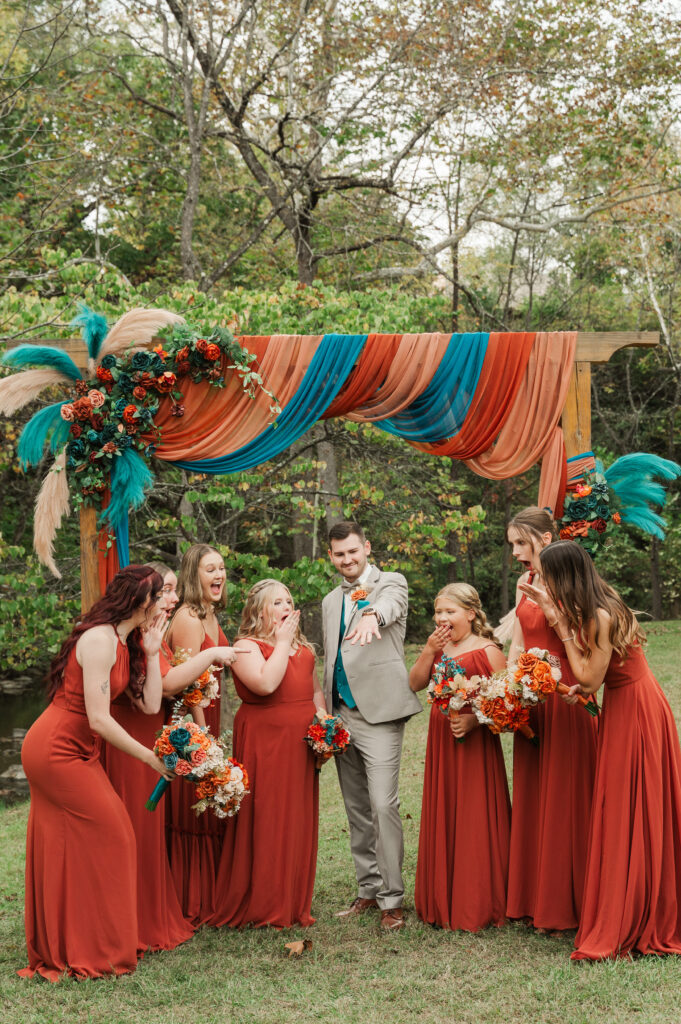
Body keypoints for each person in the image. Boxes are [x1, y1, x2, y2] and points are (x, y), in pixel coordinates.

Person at [527, 540, 681, 960]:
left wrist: (560, 627)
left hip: (636, 710)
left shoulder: (599, 615)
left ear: (564, 576)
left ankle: (636, 911)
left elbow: (589, 679)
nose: (544, 583)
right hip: (627, 702)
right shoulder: (596, 603)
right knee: (625, 803)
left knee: (629, 804)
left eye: (547, 576)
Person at [19, 565, 173, 982]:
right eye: (159, 595)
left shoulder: (126, 641)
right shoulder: (100, 640)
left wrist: (153, 652)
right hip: (55, 749)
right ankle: (96, 948)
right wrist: (150, 758)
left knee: (79, 843)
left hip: (78, 750)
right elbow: (100, 720)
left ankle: (78, 942)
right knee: (116, 834)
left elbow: (150, 705)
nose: (164, 602)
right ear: (140, 602)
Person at [103, 561, 242, 952]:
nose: (173, 597)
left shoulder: (153, 636)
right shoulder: (134, 637)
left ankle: (146, 914)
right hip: (132, 742)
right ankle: (131, 922)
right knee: (134, 828)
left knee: (147, 832)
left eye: (172, 590)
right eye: (165, 590)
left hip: (152, 737)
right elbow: (167, 684)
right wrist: (211, 655)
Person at [322, 521, 422, 931]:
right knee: (357, 809)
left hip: (379, 715)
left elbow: (390, 606)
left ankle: (392, 900)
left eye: (353, 551)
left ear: (366, 547)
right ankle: (368, 889)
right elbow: (331, 658)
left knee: (383, 805)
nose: (347, 559)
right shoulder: (330, 601)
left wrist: (370, 615)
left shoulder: (390, 583)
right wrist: (326, 712)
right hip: (341, 714)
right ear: (331, 556)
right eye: (339, 554)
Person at [210, 580, 325, 928]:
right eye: (277, 602)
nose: (286, 607)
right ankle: (265, 900)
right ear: (259, 610)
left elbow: (314, 690)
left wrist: (324, 725)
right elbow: (265, 684)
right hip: (267, 741)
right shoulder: (245, 646)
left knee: (296, 816)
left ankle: (292, 897)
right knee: (269, 815)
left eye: (289, 600)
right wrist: (283, 643)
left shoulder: (302, 646)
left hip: (301, 742)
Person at [505, 508, 598, 933]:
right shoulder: (524, 583)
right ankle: (534, 900)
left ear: (546, 539)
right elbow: (518, 642)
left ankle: (568, 904)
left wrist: (555, 674)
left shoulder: (569, 579)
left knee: (565, 796)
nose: (515, 552)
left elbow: (588, 643)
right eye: (512, 544)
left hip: (566, 696)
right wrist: (511, 691)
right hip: (532, 700)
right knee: (534, 794)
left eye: (521, 543)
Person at [410, 583, 511, 931]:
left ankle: (478, 900)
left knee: (474, 813)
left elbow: (507, 705)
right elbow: (414, 683)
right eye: (438, 612)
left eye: (449, 611)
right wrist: (428, 650)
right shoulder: (438, 648)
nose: (442, 618)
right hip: (442, 741)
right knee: (447, 808)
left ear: (470, 613)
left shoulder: (488, 651)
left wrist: (474, 720)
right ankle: (442, 896)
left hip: (475, 745)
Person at [164, 544, 232, 925]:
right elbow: (188, 686)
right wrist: (205, 741)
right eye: (210, 569)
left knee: (206, 803)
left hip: (208, 718)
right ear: (194, 575)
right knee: (191, 806)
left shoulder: (209, 613)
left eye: (221, 567)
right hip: (189, 728)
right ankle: (190, 899)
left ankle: (210, 892)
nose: (219, 574)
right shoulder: (189, 617)